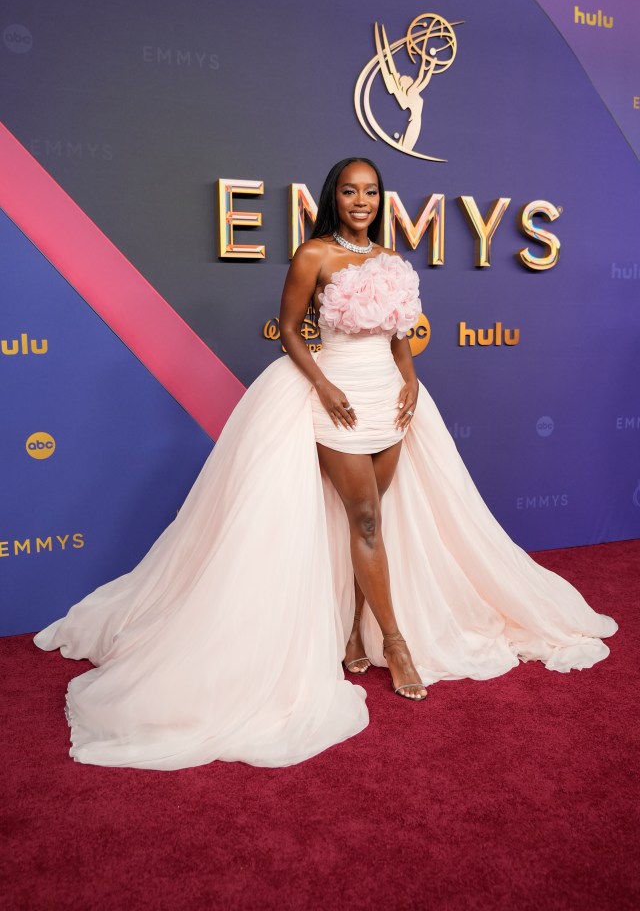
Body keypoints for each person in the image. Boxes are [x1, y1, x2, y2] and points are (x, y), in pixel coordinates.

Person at [34, 158, 617, 771]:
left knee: (368, 519)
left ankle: (349, 634)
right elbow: (288, 330)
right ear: (333, 197)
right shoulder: (313, 255)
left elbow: (400, 335)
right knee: (364, 518)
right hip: (333, 398)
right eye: (349, 191)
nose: (360, 201)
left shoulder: (393, 262)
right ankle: (395, 645)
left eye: (370, 192)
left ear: (381, 200)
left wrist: (412, 380)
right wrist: (323, 386)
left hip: (389, 399)